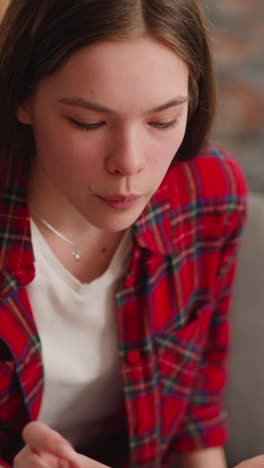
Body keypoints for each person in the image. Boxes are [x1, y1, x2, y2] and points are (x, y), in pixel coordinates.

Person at [0, 0, 254, 467]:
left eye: (162, 121)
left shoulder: (208, 193)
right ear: (22, 97)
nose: (130, 163)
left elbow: (196, 409)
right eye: (88, 122)